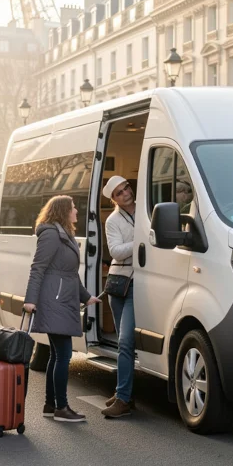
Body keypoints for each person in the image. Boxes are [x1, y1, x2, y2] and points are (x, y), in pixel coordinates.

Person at [23, 196, 100, 423]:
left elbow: (70, 274)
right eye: (73, 207)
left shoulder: (64, 235)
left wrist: (87, 297)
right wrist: (30, 300)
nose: (77, 210)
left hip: (62, 300)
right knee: (64, 354)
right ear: (63, 211)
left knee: (57, 353)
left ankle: (50, 404)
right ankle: (62, 407)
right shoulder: (51, 234)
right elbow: (38, 268)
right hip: (54, 301)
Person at [101, 175, 137, 419]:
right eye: (120, 193)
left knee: (125, 341)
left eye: (126, 188)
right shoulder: (113, 220)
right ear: (114, 199)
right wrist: (141, 243)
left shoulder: (147, 209)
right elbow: (115, 251)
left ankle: (123, 397)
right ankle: (123, 394)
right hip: (118, 283)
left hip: (138, 284)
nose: (126, 193)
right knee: (121, 341)